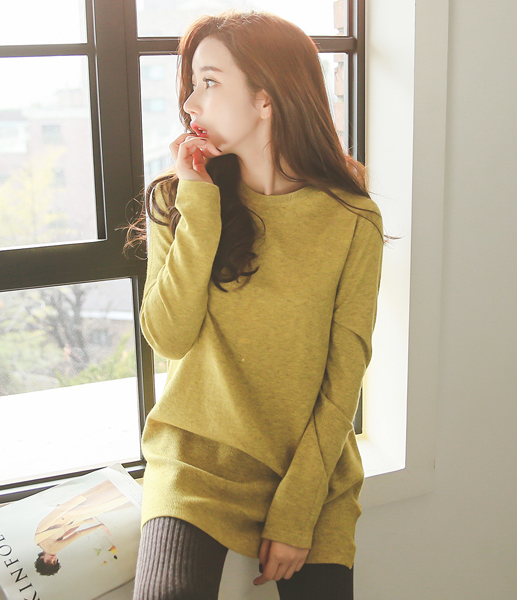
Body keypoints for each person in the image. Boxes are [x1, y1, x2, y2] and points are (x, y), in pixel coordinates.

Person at [126, 9, 385, 600]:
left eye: (209, 82)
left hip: (308, 466)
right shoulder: (178, 198)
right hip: (196, 461)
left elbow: (345, 373)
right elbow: (168, 337)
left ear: (266, 98)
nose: (189, 102)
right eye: (191, 84)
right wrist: (199, 206)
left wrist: (298, 509)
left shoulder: (351, 218)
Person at [33, 480, 131, 575]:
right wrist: (85, 521)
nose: (53, 559)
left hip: (75, 512)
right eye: (55, 561)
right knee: (102, 493)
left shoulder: (51, 549)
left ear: (42, 558)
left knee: (110, 498)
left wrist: (99, 526)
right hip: (70, 510)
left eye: (49, 561)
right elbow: (66, 529)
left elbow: (77, 534)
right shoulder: (39, 541)